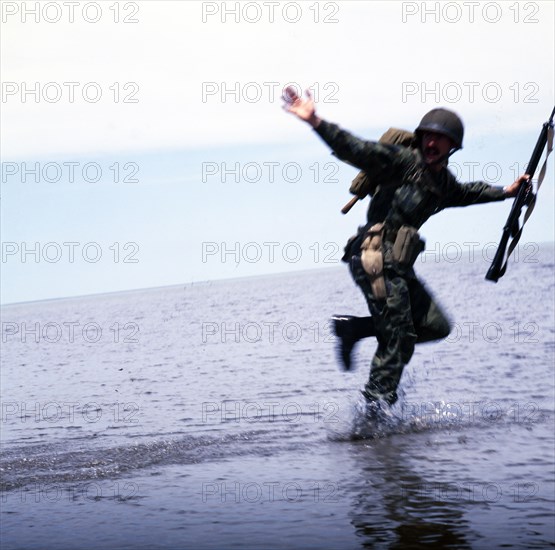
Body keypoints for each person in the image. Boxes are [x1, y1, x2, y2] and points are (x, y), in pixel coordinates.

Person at [283, 87, 529, 411]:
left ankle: (354, 328)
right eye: (427, 136)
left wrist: (507, 192)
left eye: (439, 140)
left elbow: (468, 192)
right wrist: (316, 121)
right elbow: (356, 149)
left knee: (435, 326)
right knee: (398, 335)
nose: (431, 143)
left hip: (396, 266)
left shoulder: (442, 184)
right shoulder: (401, 162)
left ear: (452, 147)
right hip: (373, 257)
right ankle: (374, 412)